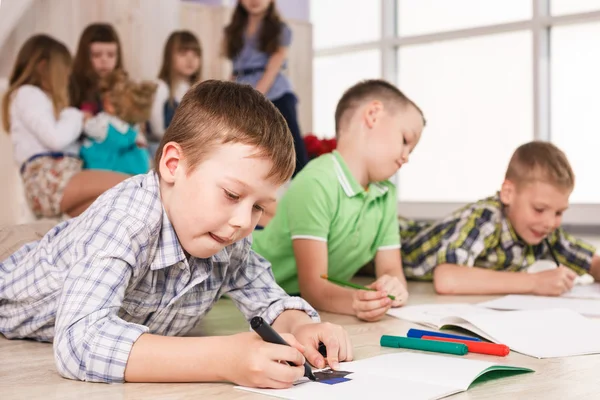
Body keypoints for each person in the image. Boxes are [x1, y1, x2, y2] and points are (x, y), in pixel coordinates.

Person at [0, 80, 352, 387]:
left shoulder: (229, 232)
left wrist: (302, 328)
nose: (245, 222)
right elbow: (80, 343)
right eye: (232, 194)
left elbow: (268, 298)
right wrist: (222, 358)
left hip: (73, 243)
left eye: (259, 206)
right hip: (17, 258)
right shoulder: (127, 219)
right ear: (173, 165)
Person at [252, 79, 425, 322]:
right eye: (406, 140)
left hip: (290, 299)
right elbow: (313, 287)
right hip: (246, 282)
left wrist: (393, 289)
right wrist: (356, 301)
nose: (406, 157)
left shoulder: (385, 194)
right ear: (373, 115)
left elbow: (391, 270)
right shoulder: (316, 182)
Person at [400, 141, 600, 295]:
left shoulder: (543, 231)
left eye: (559, 213)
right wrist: (535, 282)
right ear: (508, 193)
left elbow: (593, 263)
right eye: (539, 209)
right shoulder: (486, 217)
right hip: (394, 240)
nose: (549, 223)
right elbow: (447, 278)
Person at [2, 34, 127, 218]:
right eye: (64, 71)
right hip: (51, 179)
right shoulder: (28, 94)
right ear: (43, 67)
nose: (67, 77)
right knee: (133, 184)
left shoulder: (41, 99)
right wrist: (76, 115)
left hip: (57, 180)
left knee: (111, 211)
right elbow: (55, 139)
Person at [224, 0, 309, 177]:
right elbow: (235, 70)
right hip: (244, 92)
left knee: (293, 149)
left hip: (274, 91)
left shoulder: (280, 29)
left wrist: (256, 97)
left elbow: (274, 66)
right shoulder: (233, 31)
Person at [147, 30, 202, 157]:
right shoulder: (161, 87)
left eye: (196, 54)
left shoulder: (196, 90)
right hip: (160, 147)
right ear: (169, 56)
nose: (190, 59)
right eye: (183, 53)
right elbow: (156, 130)